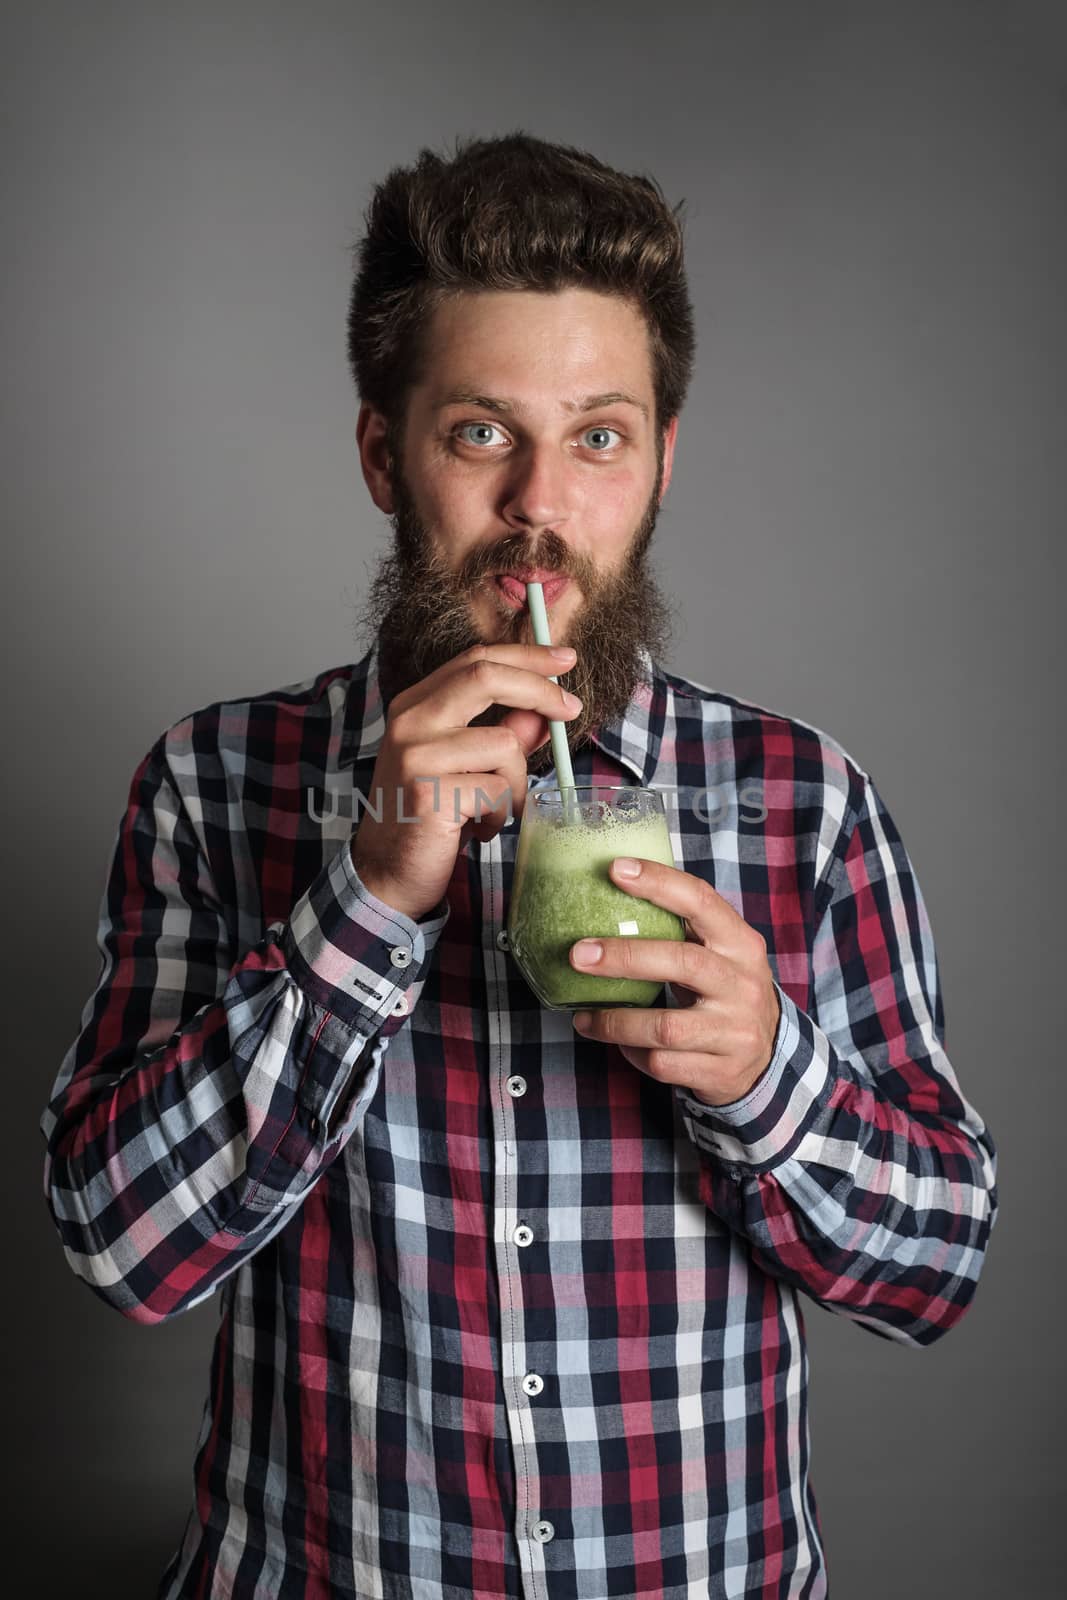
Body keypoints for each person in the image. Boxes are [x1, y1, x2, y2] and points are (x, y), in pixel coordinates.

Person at [41, 131, 999, 1600]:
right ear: (384, 451)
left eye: (599, 437)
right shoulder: (217, 779)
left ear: (663, 461)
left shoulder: (803, 804)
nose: (541, 504)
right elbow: (125, 1252)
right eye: (481, 431)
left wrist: (765, 1074)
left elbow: (935, 1268)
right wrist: (367, 896)